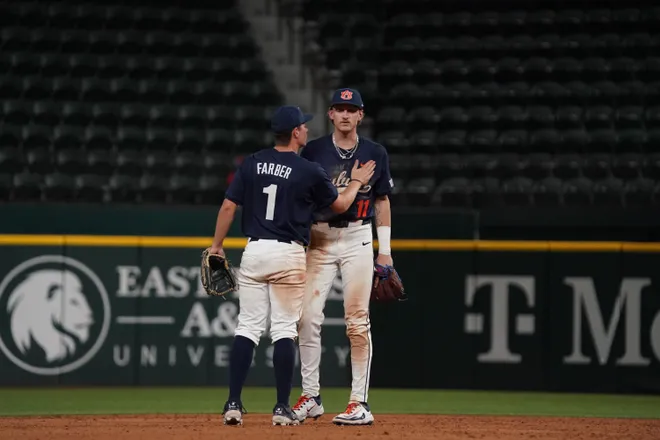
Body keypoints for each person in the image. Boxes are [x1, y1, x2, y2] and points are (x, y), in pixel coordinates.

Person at [209, 105, 376, 426]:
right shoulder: (308, 169)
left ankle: (232, 403)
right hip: (288, 254)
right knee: (284, 329)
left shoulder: (253, 162)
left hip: (254, 250)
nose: (306, 130)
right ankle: (282, 408)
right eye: (303, 126)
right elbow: (340, 204)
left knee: (247, 327)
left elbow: (229, 205)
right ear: (296, 133)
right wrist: (355, 182)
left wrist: (216, 246)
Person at [293, 88, 395, 426]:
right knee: (306, 318)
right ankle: (311, 396)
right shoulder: (314, 151)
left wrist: (387, 251)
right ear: (331, 114)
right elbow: (303, 197)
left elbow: (381, 200)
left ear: (361, 115)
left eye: (352, 109)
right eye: (340, 108)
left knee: (357, 321)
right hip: (320, 238)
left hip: (357, 237)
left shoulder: (375, 152)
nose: (346, 114)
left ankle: (359, 403)